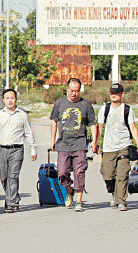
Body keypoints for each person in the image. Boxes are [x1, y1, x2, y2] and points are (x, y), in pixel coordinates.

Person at [0, 89, 37, 213]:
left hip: (17, 150)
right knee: (3, 176)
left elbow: (29, 133)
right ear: (3, 100)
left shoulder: (22, 115)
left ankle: (10, 203)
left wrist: (33, 149)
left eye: (12, 98)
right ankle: (14, 197)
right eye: (7, 98)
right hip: (2, 149)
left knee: (13, 176)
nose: (10, 100)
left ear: (16, 99)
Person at [50, 78, 97, 212]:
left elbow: (92, 124)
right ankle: (69, 190)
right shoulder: (60, 103)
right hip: (63, 144)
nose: (74, 93)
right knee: (62, 172)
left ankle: (79, 201)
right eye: (71, 90)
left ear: (80, 91)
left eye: (77, 91)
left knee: (79, 172)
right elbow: (54, 121)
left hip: (80, 144)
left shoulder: (85, 105)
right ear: (67, 89)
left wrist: (94, 141)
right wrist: (53, 139)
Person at [96, 83, 138, 211]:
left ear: (122, 94)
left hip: (124, 145)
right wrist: (95, 143)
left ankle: (121, 201)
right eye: (112, 92)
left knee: (122, 175)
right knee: (107, 174)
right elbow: (99, 128)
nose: (114, 95)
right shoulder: (104, 109)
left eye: (117, 93)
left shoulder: (127, 110)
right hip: (108, 148)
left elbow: (133, 128)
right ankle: (113, 192)